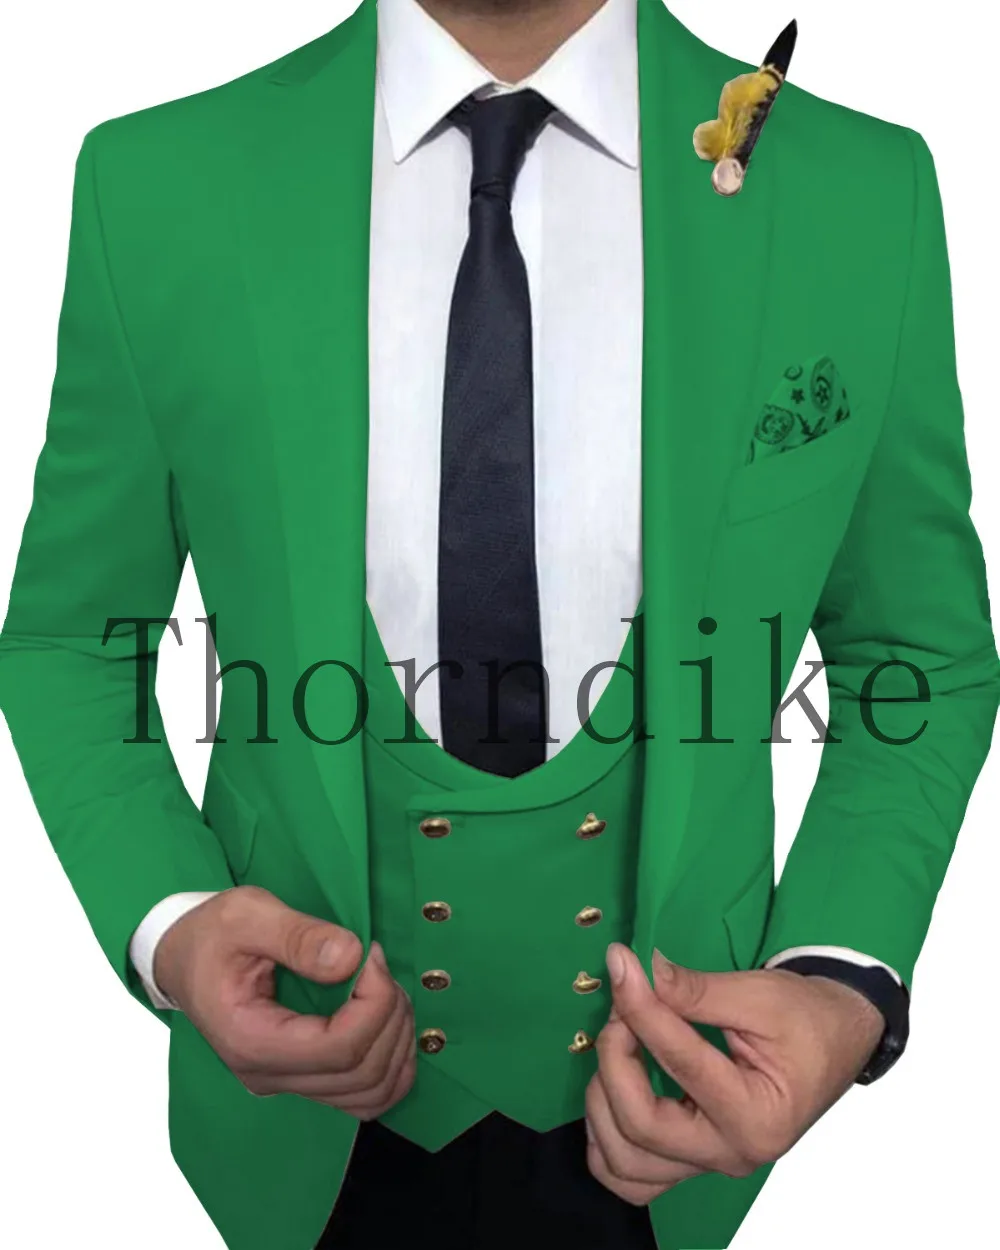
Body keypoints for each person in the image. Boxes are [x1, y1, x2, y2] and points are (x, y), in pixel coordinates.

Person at [1, 1, 996, 1248]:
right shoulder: (159, 184)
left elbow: (915, 654)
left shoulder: (860, 194)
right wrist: (168, 918)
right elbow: (70, 638)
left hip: (691, 1098)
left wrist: (840, 976)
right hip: (293, 1123)